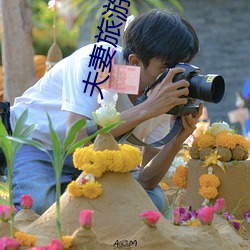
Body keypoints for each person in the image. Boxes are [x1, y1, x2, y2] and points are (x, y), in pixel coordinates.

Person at [6, 9, 202, 215]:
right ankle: (65, 197)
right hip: (37, 144)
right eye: (167, 68)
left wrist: (176, 140)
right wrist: (147, 108)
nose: (175, 76)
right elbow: (76, 140)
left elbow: (146, 180)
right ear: (135, 62)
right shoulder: (97, 61)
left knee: (152, 202)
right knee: (39, 208)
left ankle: (70, 199)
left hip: (96, 157)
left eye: (182, 66)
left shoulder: (164, 89)